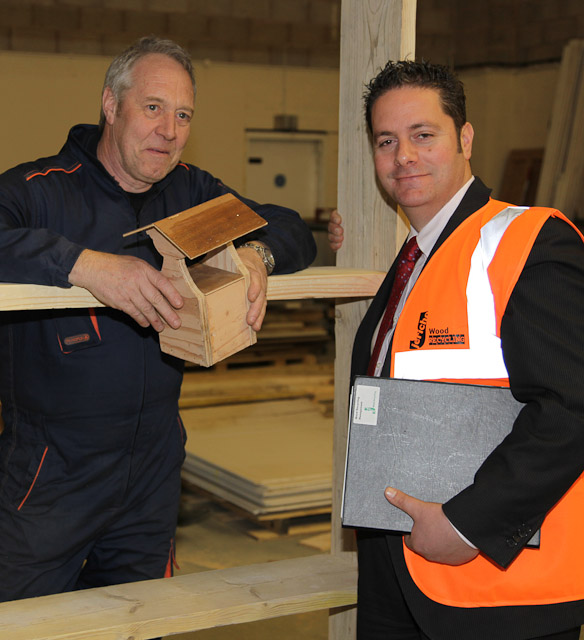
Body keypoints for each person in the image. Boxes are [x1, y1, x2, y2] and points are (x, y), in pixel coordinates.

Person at [0, 36, 316, 602]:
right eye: (153, 107)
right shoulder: (41, 192)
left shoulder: (191, 193)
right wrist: (84, 265)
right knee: (25, 623)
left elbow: (290, 226)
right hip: (49, 475)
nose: (168, 130)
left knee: (141, 620)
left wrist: (255, 255)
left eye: (183, 115)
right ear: (110, 104)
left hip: (152, 474)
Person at [330, 60, 584, 639]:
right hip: (396, 570)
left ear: (465, 139)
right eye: (386, 141)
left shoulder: (527, 241)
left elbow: (572, 407)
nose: (404, 156)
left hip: (496, 591)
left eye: (423, 135)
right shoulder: (415, 259)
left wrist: (469, 524)